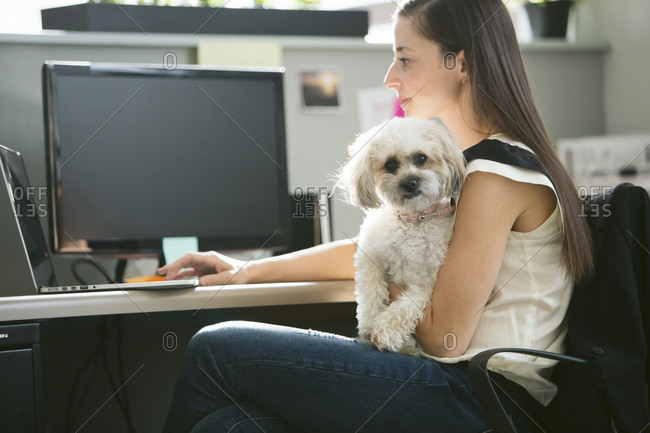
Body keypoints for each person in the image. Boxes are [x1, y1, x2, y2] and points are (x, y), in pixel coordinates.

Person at [159, 0, 595, 431]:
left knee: (216, 347)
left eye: (404, 60)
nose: (391, 79)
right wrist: (249, 271)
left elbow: (445, 339)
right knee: (229, 425)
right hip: (458, 388)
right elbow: (378, 246)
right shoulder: (472, 165)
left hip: (483, 400)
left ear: (458, 62)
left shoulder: (496, 174)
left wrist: (380, 269)